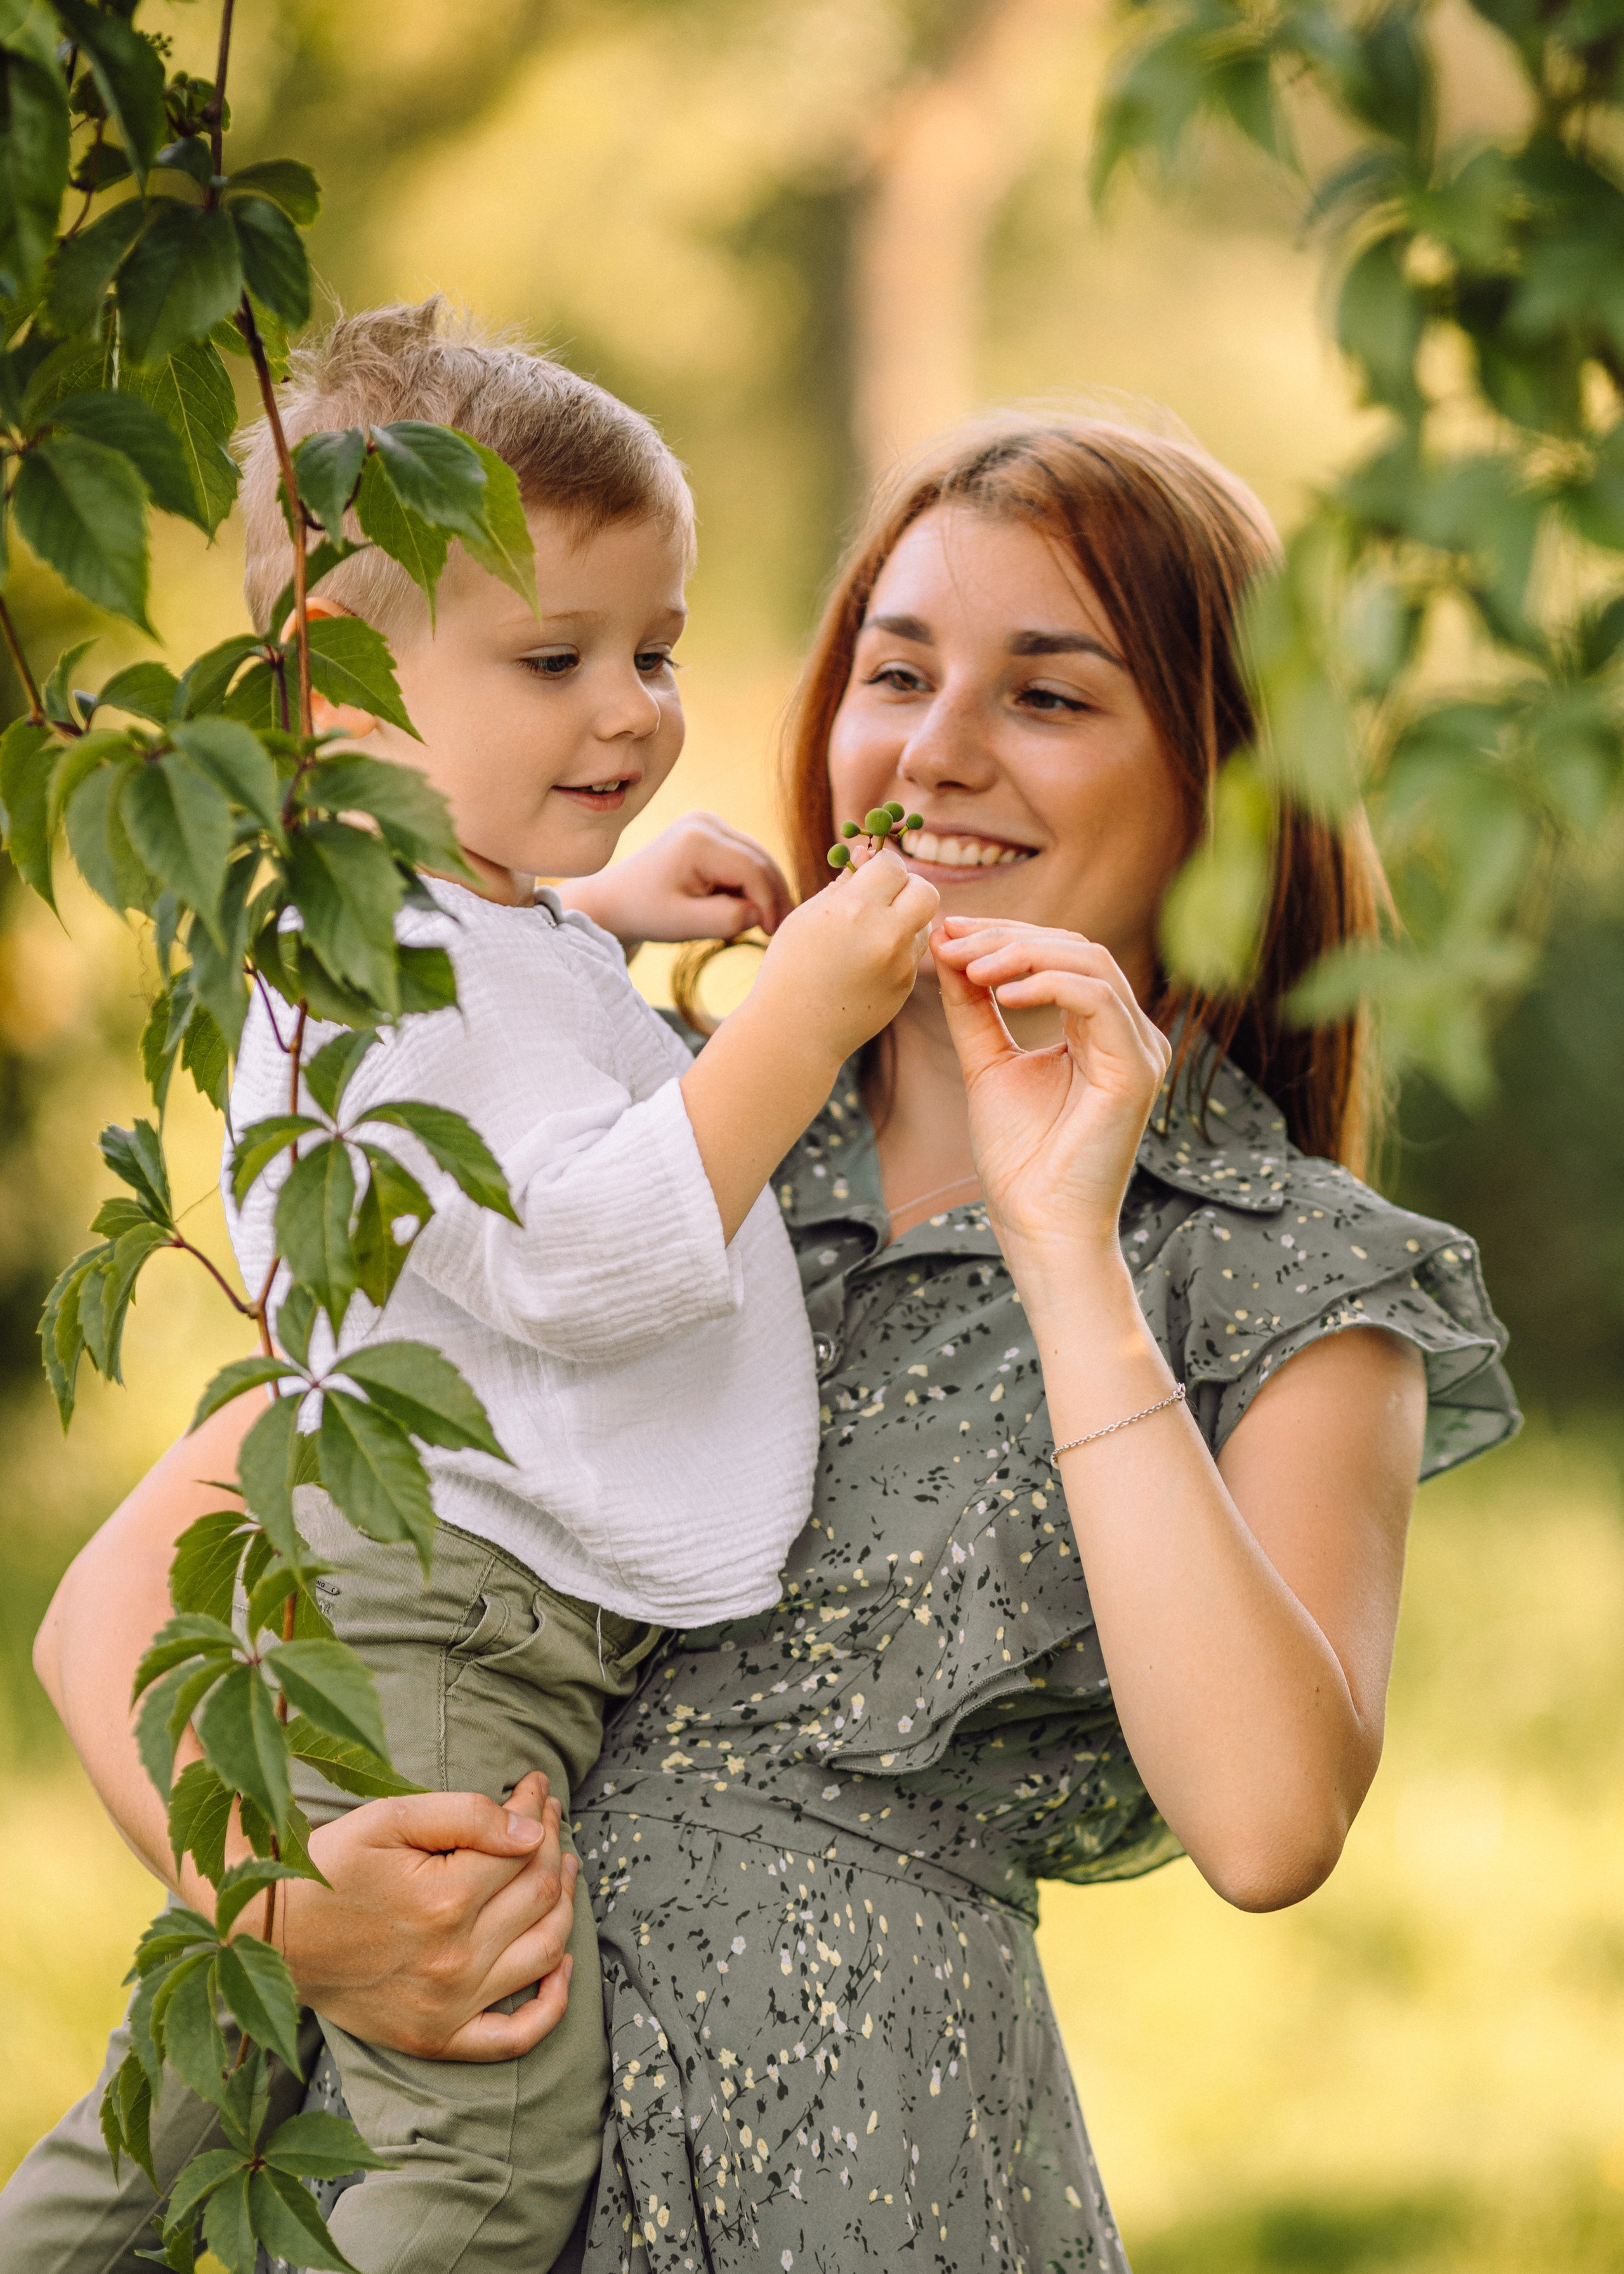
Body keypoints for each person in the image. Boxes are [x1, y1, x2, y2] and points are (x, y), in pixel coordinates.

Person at [14, 409, 1517, 2274]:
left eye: (1048, 698)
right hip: (455, 2132)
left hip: (872, 2178)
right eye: (895, 675)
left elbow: (1272, 1821)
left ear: (1221, 779)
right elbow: (111, 1612)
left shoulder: (1281, 1270)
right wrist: (280, 1909)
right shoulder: (652, 1118)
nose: (936, 749)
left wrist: (1068, 1254)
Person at [0, 299, 938, 2274]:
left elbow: (473, 1015)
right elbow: (581, 1250)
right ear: (336, 694)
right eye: (556, 660)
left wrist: (601, 906)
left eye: (658, 651)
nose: (633, 709)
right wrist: (797, 1026)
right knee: (490, 2149)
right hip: (456, 1632)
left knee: (204, 2075)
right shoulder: (397, 974)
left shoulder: (381, 916)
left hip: (382, 1590)